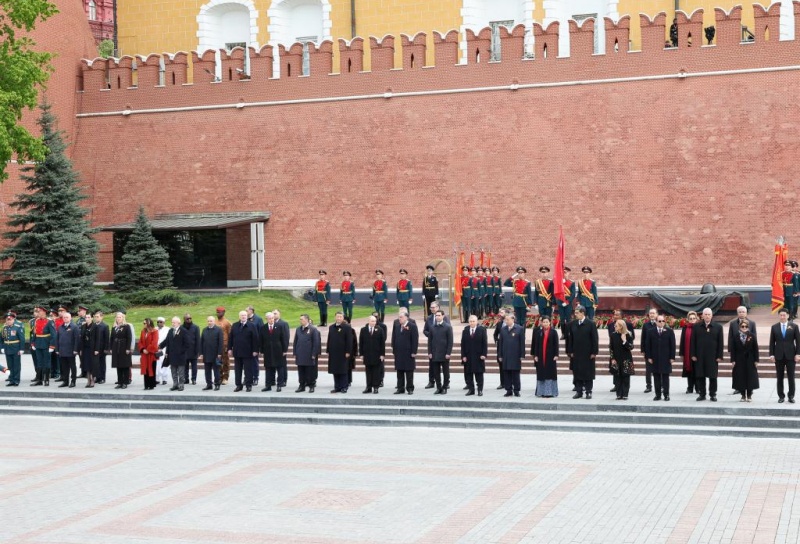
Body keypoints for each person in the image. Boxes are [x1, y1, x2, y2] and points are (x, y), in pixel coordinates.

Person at [691, 307, 724, 401]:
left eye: (709, 314)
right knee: (700, 376)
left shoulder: (718, 327)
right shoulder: (696, 326)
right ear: (702, 316)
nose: (707, 316)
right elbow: (693, 341)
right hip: (699, 356)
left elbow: (720, 343)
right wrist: (693, 354)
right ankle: (702, 394)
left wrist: (719, 356)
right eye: (705, 314)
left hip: (713, 357)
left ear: (712, 315)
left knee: (713, 376)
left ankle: (713, 394)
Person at [768, 308, 800, 403]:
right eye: (781, 315)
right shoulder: (774, 327)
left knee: (791, 377)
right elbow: (771, 342)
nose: (782, 317)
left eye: (784, 315)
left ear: (788, 315)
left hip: (791, 356)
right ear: (779, 316)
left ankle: (791, 396)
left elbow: (798, 342)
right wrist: (771, 355)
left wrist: (798, 354)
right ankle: (781, 396)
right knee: (780, 377)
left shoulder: (794, 326)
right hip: (778, 356)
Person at [567, 305, 599, 399]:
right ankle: (579, 391)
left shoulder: (590, 324)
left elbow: (595, 339)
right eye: (575, 313)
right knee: (577, 372)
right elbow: (570, 339)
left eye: (577, 313)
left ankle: (588, 391)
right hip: (576, 353)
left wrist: (594, 352)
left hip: (588, 353)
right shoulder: (573, 324)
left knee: (588, 373)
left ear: (582, 313)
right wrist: (570, 351)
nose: (575, 315)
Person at [228, 310, 260, 392]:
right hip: (237, 352)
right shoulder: (235, 325)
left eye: (245, 315)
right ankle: (238, 385)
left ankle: (248, 385)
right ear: (239, 316)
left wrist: (255, 350)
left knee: (248, 370)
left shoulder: (251, 325)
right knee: (237, 370)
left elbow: (255, 339)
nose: (243, 316)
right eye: (242, 315)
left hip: (248, 352)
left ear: (247, 316)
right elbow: (230, 338)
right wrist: (229, 348)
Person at [646, 314, 676, 401]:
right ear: (656, 322)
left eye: (663, 321)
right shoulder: (650, 331)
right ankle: (658, 395)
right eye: (659, 321)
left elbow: (672, 345)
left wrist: (672, 357)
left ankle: (666, 395)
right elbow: (648, 345)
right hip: (655, 358)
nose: (661, 323)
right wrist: (649, 357)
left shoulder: (669, 331)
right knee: (656, 377)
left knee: (666, 377)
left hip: (666, 358)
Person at [159, 316, 191, 392]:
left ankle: (181, 385)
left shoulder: (183, 331)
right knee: (173, 371)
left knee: (180, 372)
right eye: (172, 322)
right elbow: (167, 341)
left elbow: (188, 344)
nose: (172, 324)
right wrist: (159, 346)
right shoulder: (170, 331)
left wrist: (181, 351)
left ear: (179, 323)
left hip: (180, 356)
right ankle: (175, 384)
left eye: (174, 322)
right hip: (172, 355)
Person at [731, 319, 759, 402]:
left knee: (750, 376)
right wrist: (733, 360)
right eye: (742, 326)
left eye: (746, 326)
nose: (744, 328)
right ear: (740, 327)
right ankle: (743, 395)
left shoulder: (752, 336)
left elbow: (755, 349)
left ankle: (749, 395)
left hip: (750, 359)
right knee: (740, 376)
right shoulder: (736, 336)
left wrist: (756, 360)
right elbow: (733, 349)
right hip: (739, 359)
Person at [423, 301, 449, 388]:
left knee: (444, 367)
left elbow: (448, 330)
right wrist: (431, 335)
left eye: (434, 307)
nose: (432, 309)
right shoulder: (429, 318)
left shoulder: (444, 318)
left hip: (442, 346)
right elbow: (425, 330)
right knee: (432, 365)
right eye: (431, 307)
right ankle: (431, 381)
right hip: (433, 345)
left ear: (438, 307)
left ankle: (446, 383)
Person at [607, 309, 634, 393]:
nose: (615, 316)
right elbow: (611, 342)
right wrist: (612, 357)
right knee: (616, 372)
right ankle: (617, 386)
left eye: (617, 315)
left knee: (625, 374)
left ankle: (625, 391)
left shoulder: (628, 326)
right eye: (614, 314)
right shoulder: (610, 325)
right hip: (616, 352)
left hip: (625, 355)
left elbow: (631, 341)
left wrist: (624, 341)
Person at [497, 313, 525, 397]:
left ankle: (516, 390)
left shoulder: (519, 329)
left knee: (515, 374)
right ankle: (508, 390)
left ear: (513, 319)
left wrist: (522, 355)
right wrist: (500, 355)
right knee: (506, 373)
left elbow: (522, 343)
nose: (506, 321)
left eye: (508, 319)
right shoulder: (503, 329)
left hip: (515, 355)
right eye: (505, 319)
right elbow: (500, 343)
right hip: (505, 355)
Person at [326, 311, 354, 393]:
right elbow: (329, 339)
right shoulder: (331, 327)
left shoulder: (347, 327)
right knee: (335, 370)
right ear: (335, 317)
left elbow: (349, 340)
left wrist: (348, 351)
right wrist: (328, 349)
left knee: (343, 370)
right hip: (333, 352)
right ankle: (337, 387)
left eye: (340, 317)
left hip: (343, 353)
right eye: (337, 316)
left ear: (343, 318)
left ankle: (344, 386)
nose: (338, 318)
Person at [532, 315, 559, 398]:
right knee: (541, 373)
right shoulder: (538, 332)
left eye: (547, 322)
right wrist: (536, 355)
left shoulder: (553, 332)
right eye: (544, 322)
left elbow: (556, 344)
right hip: (540, 356)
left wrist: (556, 355)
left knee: (550, 373)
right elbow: (536, 345)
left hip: (550, 356)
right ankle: (541, 392)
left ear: (549, 323)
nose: (545, 323)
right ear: (541, 323)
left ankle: (550, 392)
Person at [391, 311, 418, 394]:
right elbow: (394, 338)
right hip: (399, 353)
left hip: (408, 352)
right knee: (399, 371)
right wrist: (394, 350)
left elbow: (415, 340)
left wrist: (414, 351)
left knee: (409, 372)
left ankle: (410, 388)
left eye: (401, 317)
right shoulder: (397, 326)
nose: (399, 319)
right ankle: (400, 388)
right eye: (399, 317)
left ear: (406, 317)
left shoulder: (412, 326)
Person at [261, 312, 288, 392]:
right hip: (268, 351)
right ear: (266, 319)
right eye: (269, 318)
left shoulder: (279, 326)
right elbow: (261, 340)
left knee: (279, 368)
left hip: (278, 351)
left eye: (272, 318)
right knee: (268, 368)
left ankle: (279, 385)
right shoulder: (263, 328)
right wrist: (261, 350)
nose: (271, 320)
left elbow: (284, 339)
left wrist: (284, 350)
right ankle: (268, 385)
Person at [293, 313, 321, 393]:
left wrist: (314, 354)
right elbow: (295, 341)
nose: (300, 320)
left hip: (309, 355)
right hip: (300, 354)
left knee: (310, 372)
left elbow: (316, 342)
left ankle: (311, 386)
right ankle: (301, 386)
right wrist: (295, 352)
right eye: (300, 319)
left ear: (306, 320)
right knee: (301, 371)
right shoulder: (298, 329)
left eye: (302, 319)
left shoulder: (313, 329)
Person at [461, 314, 487, 396]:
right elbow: (463, 344)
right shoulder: (465, 330)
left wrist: (484, 354)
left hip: (478, 356)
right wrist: (463, 356)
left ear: (476, 322)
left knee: (479, 374)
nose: (472, 323)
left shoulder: (482, 330)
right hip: (468, 356)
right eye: (470, 321)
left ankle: (480, 390)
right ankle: (471, 390)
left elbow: (484, 343)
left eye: (473, 321)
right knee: (468, 374)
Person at [427, 310, 453, 394]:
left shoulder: (448, 327)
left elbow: (450, 341)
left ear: (443, 316)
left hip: (444, 353)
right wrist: (430, 352)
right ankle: (438, 387)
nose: (437, 317)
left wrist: (448, 353)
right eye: (436, 315)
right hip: (434, 353)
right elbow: (430, 341)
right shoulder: (432, 327)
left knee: (446, 372)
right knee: (436, 372)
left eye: (439, 315)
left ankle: (445, 387)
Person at [30, 305, 56, 386]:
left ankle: (47, 379)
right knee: (39, 362)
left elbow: (54, 335)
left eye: (40, 312)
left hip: (46, 344)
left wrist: (52, 346)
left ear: (44, 312)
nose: (38, 313)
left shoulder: (49, 321)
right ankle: (39, 380)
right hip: (38, 344)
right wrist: (33, 343)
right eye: (38, 312)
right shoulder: (36, 321)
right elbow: (34, 333)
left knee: (47, 362)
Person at [359, 315, 385, 394]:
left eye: (375, 321)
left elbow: (382, 343)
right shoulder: (363, 330)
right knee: (368, 371)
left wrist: (382, 354)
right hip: (367, 354)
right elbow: (361, 342)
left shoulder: (380, 330)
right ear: (368, 321)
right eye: (372, 321)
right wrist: (361, 354)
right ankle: (368, 387)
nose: (374, 322)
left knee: (376, 372)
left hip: (376, 355)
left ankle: (376, 387)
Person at [504, 267, 532, 332]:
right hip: (516, 302)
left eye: (521, 273)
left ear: (524, 274)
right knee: (517, 319)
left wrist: (529, 304)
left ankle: (522, 334)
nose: (520, 274)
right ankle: (517, 333)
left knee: (523, 319)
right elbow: (506, 283)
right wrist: (513, 276)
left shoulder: (527, 283)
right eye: (518, 273)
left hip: (523, 302)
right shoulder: (515, 281)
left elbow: (529, 294)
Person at [199, 316, 223, 391]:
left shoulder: (218, 330)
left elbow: (220, 342)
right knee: (207, 371)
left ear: (214, 321)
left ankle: (217, 384)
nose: (209, 322)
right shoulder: (204, 330)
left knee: (216, 370)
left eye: (211, 321)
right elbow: (201, 342)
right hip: (206, 353)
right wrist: (201, 353)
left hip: (215, 354)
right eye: (208, 321)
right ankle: (209, 384)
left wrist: (219, 353)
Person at [110, 312, 133, 389]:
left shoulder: (126, 326)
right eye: (117, 317)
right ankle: (120, 382)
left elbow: (129, 338)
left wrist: (127, 348)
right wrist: (111, 348)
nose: (118, 318)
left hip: (124, 347)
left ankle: (125, 382)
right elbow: (111, 338)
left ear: (123, 318)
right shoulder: (114, 327)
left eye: (119, 317)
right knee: (118, 365)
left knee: (125, 365)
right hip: (116, 347)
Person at [1, 312, 24, 387]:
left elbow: (22, 339)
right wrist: (2, 347)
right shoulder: (4, 328)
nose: (8, 321)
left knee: (16, 365)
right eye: (7, 320)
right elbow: (1, 339)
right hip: (7, 348)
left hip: (15, 348)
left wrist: (21, 349)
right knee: (10, 365)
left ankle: (16, 380)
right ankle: (11, 380)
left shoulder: (17, 327)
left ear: (13, 319)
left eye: (10, 320)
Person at [678, 311, 699, 393]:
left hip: (697, 354)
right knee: (689, 371)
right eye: (690, 319)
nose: (692, 320)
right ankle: (690, 387)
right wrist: (681, 353)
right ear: (688, 319)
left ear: (696, 319)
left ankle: (698, 388)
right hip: (688, 353)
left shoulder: (699, 328)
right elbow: (682, 341)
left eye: (694, 318)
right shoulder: (685, 328)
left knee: (697, 371)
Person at [138, 318, 159, 390]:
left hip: (151, 355)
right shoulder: (143, 331)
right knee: (145, 369)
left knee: (152, 369)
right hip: (144, 354)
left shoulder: (154, 331)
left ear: (149, 324)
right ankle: (146, 385)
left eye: (145, 323)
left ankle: (151, 384)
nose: (143, 325)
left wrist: (148, 349)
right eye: (143, 323)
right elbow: (140, 341)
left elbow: (154, 342)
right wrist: (143, 349)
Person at [273, 309, 291, 389]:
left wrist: (285, 349)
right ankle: (273, 380)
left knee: (282, 365)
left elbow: (286, 337)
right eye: (273, 313)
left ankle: (283, 380)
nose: (274, 315)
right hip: (272, 350)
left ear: (279, 314)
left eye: (275, 313)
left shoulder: (284, 324)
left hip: (281, 349)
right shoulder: (271, 324)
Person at [246, 306, 264, 386]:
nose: (246, 312)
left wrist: (259, 347)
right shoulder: (245, 318)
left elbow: (261, 332)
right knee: (246, 363)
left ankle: (255, 378)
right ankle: (247, 378)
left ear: (251, 311)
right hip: (246, 345)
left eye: (247, 310)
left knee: (254, 362)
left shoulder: (258, 319)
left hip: (254, 345)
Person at [90, 310, 109, 386]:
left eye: (97, 317)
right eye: (95, 317)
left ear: (102, 317)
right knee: (96, 364)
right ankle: (97, 377)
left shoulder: (105, 326)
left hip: (101, 348)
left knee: (102, 363)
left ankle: (102, 378)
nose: (96, 318)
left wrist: (106, 349)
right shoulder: (93, 325)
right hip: (94, 348)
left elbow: (106, 339)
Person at [557, 267, 576, 337]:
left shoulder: (572, 283)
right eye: (563, 272)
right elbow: (556, 292)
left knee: (568, 319)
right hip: (560, 303)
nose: (565, 274)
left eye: (566, 272)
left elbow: (573, 294)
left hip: (568, 303)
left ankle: (568, 333)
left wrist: (567, 302)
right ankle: (563, 334)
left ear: (569, 273)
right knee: (562, 319)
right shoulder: (558, 282)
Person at [182, 313, 201, 385]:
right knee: (185, 366)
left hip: (193, 350)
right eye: (187, 319)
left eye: (190, 318)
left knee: (194, 367)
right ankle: (186, 379)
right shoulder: (181, 328)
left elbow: (198, 340)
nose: (189, 320)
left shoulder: (196, 327)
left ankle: (193, 379)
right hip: (184, 351)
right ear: (184, 319)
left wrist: (198, 351)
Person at [216, 307, 232, 385]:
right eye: (217, 312)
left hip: (224, 345)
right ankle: (219, 377)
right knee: (217, 362)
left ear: (223, 313)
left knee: (225, 362)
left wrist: (229, 347)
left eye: (220, 312)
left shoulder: (227, 322)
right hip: (216, 345)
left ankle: (225, 377)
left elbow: (230, 335)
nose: (218, 313)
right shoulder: (215, 321)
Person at [493, 307, 508, 390]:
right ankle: (502, 383)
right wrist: (497, 341)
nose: (500, 314)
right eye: (500, 312)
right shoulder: (499, 324)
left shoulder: (513, 324)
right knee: (501, 366)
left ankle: (510, 382)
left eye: (502, 312)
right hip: (501, 348)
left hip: (509, 348)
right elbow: (495, 334)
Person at [76, 305, 91, 378]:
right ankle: (83, 372)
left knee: (85, 357)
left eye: (79, 311)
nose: (78, 312)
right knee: (80, 357)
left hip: (85, 341)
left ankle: (86, 372)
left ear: (84, 311)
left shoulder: (86, 319)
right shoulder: (79, 320)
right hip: (79, 341)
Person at [155, 317, 170, 385]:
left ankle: (164, 379)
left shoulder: (167, 329)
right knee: (157, 364)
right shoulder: (155, 329)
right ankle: (157, 378)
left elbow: (167, 340)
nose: (159, 323)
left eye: (160, 322)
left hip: (164, 349)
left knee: (164, 364)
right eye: (158, 322)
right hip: (156, 349)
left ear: (164, 322)